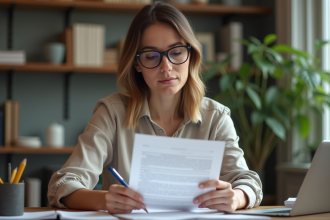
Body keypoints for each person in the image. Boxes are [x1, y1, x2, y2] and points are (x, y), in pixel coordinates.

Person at [48, 1, 262, 214]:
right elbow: (63, 184)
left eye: (176, 52)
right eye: (151, 56)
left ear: (191, 56)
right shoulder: (112, 113)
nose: (166, 67)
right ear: (137, 63)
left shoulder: (216, 117)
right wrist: (104, 200)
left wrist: (237, 197)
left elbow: (247, 181)